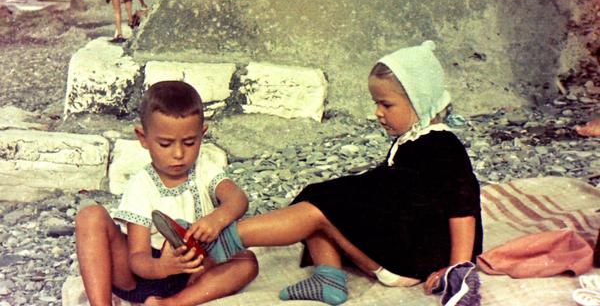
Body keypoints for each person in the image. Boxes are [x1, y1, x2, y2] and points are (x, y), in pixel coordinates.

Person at [183, 40, 483, 305]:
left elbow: (462, 209)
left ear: (420, 100)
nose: (378, 112)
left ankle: (225, 239)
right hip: (402, 247)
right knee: (319, 195)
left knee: (323, 209)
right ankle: (329, 278)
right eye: (376, 103)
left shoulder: (442, 144)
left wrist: (457, 268)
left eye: (386, 104)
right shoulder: (412, 141)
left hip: (412, 260)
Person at [75, 81, 258, 306]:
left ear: (202, 134)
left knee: (247, 262)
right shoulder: (141, 185)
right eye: (165, 144)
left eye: (190, 142)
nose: (179, 154)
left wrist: (218, 218)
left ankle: (170, 303)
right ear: (143, 138)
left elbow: (238, 199)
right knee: (90, 215)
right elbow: (136, 258)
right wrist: (161, 267)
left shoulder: (203, 168)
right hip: (142, 275)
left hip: (192, 271)